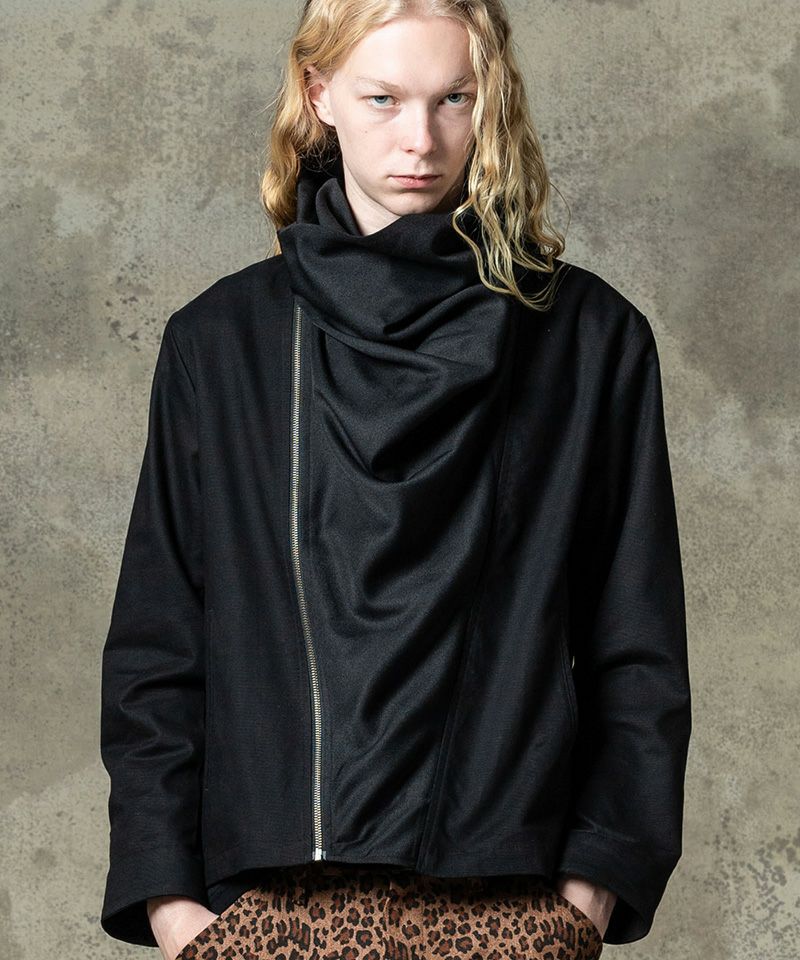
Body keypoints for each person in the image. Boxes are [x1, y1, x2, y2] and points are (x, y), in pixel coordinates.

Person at [99, 1, 692, 958]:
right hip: (270, 907)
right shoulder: (221, 344)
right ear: (318, 94)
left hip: (513, 902)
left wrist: (589, 896)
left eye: (454, 98)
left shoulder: (590, 339)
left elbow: (639, 648)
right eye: (384, 99)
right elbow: (158, 649)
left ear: (489, 101)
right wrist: (177, 913)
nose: (421, 139)